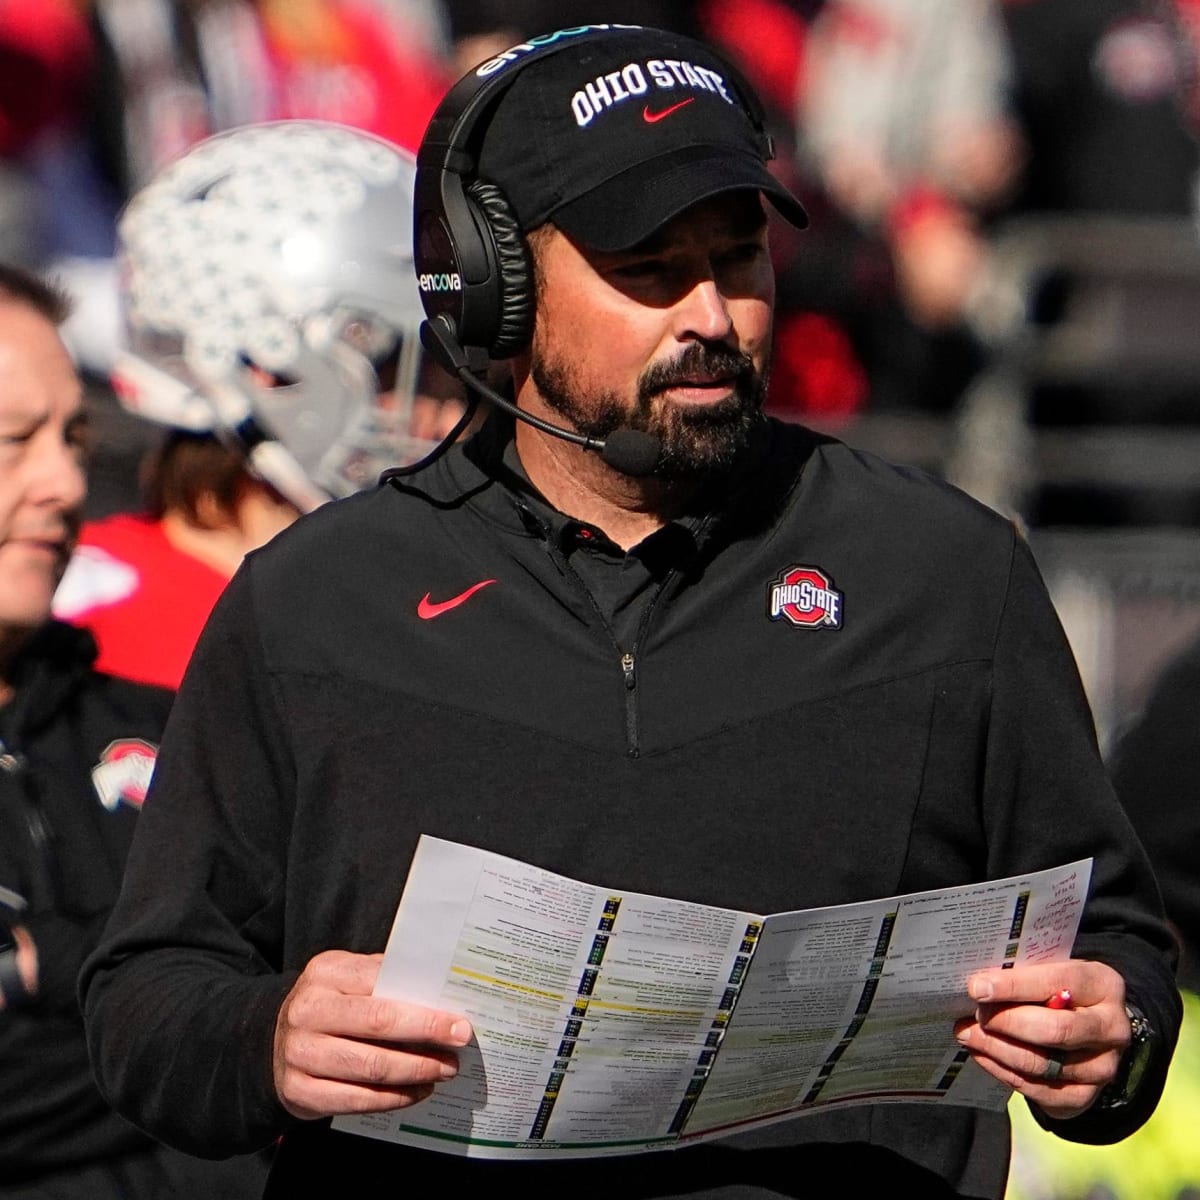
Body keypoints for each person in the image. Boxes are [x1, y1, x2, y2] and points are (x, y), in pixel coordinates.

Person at [81, 25, 1180, 1200]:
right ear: (494, 290)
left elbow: (1115, 938)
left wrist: (1109, 1042)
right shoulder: (311, 603)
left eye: (739, 256)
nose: (710, 312)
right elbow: (149, 999)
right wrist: (270, 1040)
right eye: (648, 268)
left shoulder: (946, 571)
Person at [0, 264, 265, 1197]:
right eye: (13, 442)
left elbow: (276, 1022)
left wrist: (42, 962)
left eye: (73, 437)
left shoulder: (166, 724)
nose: (65, 481)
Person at [51, 120, 467, 689]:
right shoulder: (80, 625)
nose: (446, 412)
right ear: (265, 369)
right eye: (398, 368)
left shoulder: (430, 585)